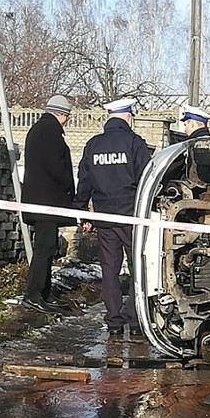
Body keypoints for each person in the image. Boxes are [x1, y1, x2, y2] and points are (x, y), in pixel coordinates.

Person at [74, 97, 152, 334]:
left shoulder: (93, 145)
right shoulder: (135, 143)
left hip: (104, 217)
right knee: (138, 267)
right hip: (131, 218)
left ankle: (114, 320)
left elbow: (84, 180)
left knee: (109, 270)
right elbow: (146, 181)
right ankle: (136, 318)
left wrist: (82, 212)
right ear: (128, 116)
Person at [21, 95, 76, 314]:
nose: (68, 120)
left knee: (47, 247)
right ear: (61, 114)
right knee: (44, 249)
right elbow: (57, 166)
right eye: (68, 116)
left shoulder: (40, 129)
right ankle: (33, 295)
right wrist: (68, 186)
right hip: (46, 204)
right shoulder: (50, 132)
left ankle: (43, 292)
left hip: (41, 202)